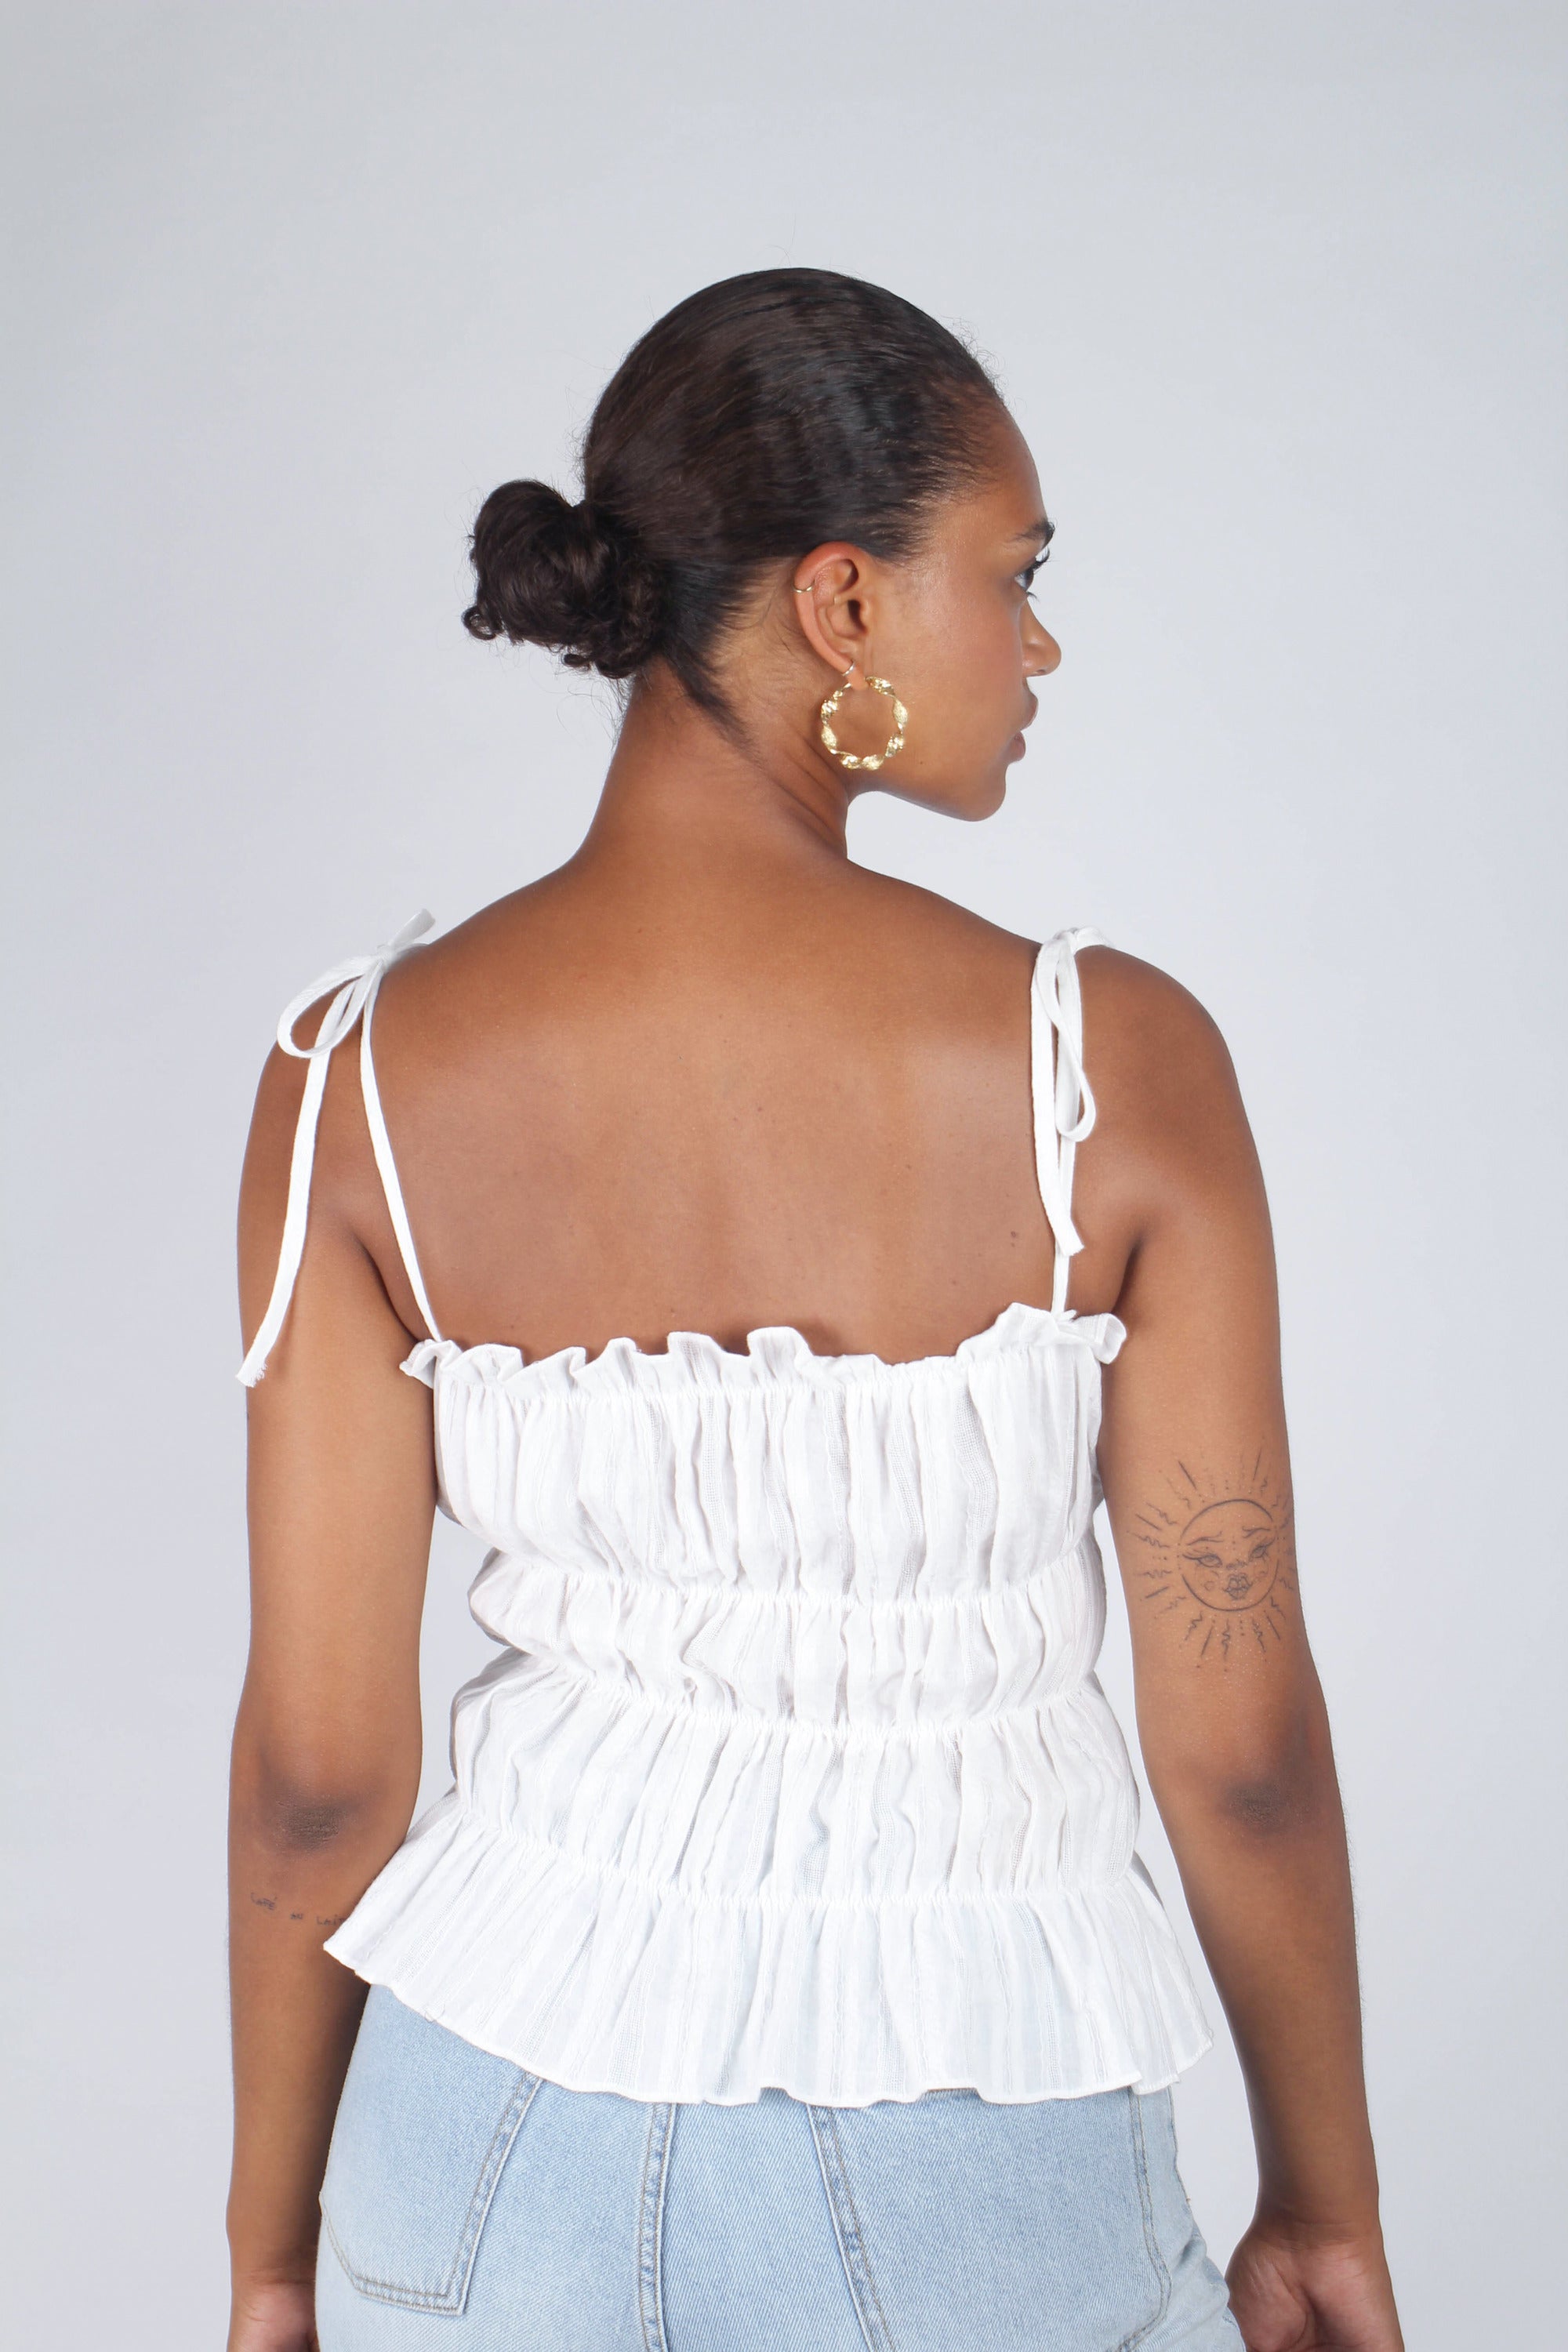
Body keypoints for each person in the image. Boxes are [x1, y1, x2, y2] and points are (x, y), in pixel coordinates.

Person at [226, 269, 1403, 2352]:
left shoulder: (354, 1083)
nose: (1038, 646)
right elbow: (1237, 1753)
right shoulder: (1107, 1069)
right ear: (844, 604)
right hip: (970, 2162)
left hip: (467, 2156)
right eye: (1015, 575)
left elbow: (323, 1776)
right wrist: (1323, 2202)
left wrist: (266, 2254)